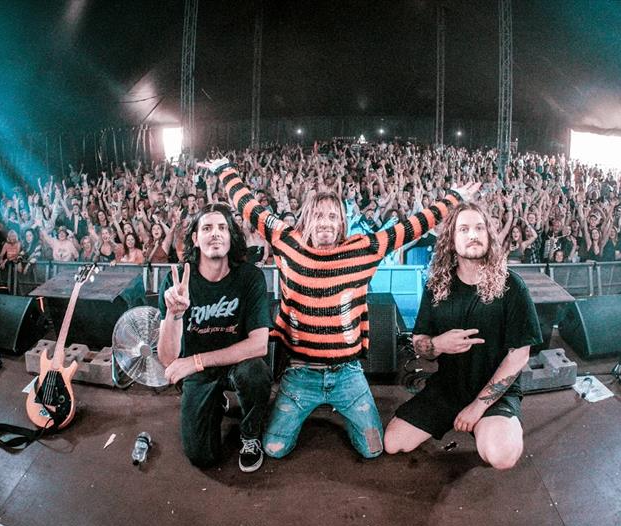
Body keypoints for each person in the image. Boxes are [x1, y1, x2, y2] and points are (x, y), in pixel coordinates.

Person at [203, 157, 479, 460]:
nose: (325, 222)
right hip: (300, 373)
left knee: (373, 450)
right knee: (274, 449)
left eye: (333, 217)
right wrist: (223, 169)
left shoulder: (363, 250)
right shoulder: (286, 241)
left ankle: (336, 407)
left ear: (342, 223)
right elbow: (250, 207)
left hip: (347, 374)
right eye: (318, 216)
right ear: (306, 219)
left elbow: (411, 227)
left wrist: (454, 198)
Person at [384, 202, 542, 470]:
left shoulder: (512, 285)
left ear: (489, 235)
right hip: (448, 387)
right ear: (451, 240)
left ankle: (485, 425)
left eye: (479, 228)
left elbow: (519, 355)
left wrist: (477, 408)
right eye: (464, 229)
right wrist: (437, 344)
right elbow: (420, 343)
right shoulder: (437, 287)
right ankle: (460, 419)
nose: (473, 235)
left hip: (495, 393)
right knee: (393, 443)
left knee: (502, 457)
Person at [157, 203, 273, 473]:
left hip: (238, 364)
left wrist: (196, 361)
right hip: (200, 373)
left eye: (222, 227)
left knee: (256, 372)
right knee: (202, 457)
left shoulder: (250, 277)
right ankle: (214, 399)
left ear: (231, 237)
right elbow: (168, 359)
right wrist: (174, 315)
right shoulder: (178, 282)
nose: (216, 233)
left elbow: (259, 344)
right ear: (195, 239)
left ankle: (250, 434)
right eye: (207, 228)